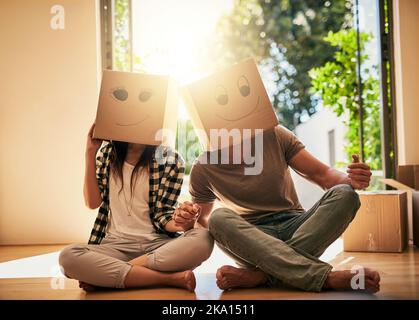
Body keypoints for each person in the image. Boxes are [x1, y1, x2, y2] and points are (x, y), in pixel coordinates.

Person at [174, 125, 380, 293]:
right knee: (219, 219)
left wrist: (351, 180)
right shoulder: (203, 167)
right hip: (252, 239)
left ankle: (261, 276)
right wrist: (188, 221)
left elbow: (323, 175)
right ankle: (325, 278)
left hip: (297, 225)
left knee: (346, 194)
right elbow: (203, 221)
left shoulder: (274, 135)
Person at [59, 124, 214, 292]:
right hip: (115, 247)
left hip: (157, 247)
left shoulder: (171, 159)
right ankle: (168, 278)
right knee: (68, 256)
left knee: (204, 238)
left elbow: (164, 215)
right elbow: (92, 203)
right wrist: (90, 152)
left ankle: (117, 275)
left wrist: (183, 221)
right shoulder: (106, 155)